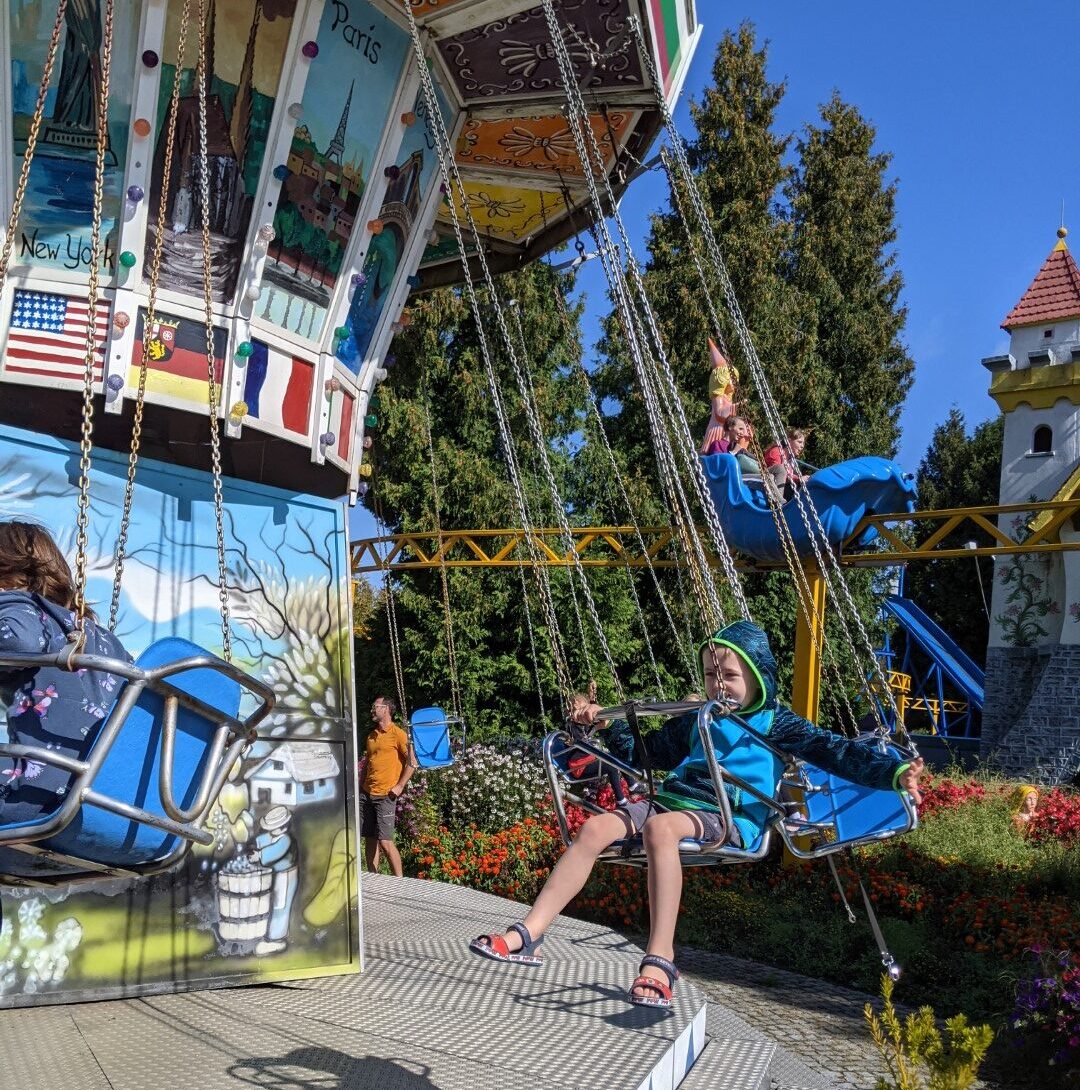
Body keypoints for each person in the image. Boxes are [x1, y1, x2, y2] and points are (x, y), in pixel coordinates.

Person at [470, 619, 925, 1007]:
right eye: (710, 674)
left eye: (728, 675)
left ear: (757, 677)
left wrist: (894, 771)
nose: (717, 685)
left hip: (730, 814)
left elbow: (836, 751)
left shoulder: (777, 722)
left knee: (661, 830)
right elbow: (648, 752)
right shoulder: (698, 718)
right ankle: (530, 932)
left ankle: (660, 957)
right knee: (593, 828)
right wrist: (607, 728)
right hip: (673, 801)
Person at [0, 521, 131, 825]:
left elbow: (22, 640)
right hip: (101, 804)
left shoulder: (18, 607)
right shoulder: (99, 637)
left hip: (31, 795)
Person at [359, 695, 415, 877]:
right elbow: (369, 762)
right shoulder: (371, 736)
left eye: (376, 706)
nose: (372, 710)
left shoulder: (398, 734)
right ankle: (372, 877)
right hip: (367, 794)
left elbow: (412, 762)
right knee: (370, 839)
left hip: (386, 795)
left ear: (386, 709)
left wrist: (399, 786)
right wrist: (361, 784)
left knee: (385, 841)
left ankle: (400, 882)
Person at [726, 417, 787, 492]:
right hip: (741, 476)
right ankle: (780, 502)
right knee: (768, 477)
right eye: (742, 428)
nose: (749, 428)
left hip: (758, 473)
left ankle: (780, 499)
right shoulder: (734, 447)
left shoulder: (750, 452)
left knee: (780, 468)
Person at [701, 339, 739, 454]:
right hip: (717, 428)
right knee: (714, 450)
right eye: (731, 380)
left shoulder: (727, 398)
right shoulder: (719, 397)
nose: (734, 384)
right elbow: (719, 413)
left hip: (724, 429)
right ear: (723, 381)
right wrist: (737, 406)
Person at [762, 427, 813, 498]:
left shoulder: (790, 460)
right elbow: (777, 474)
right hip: (767, 480)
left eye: (803, 443)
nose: (802, 446)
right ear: (789, 441)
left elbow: (789, 476)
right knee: (781, 469)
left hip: (781, 484)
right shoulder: (776, 452)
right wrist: (799, 478)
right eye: (799, 442)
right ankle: (778, 501)